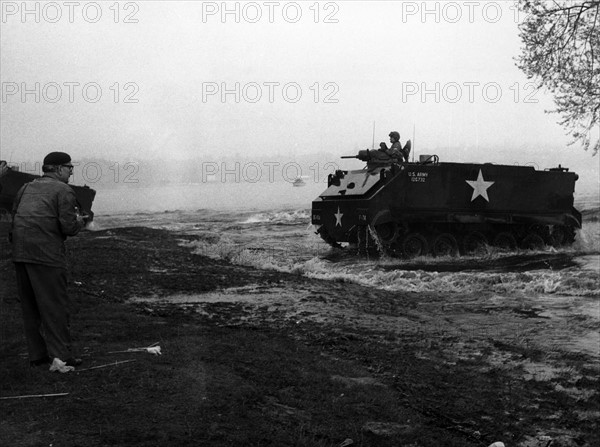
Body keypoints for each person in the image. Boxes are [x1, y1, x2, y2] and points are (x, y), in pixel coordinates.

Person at [11, 151, 88, 371]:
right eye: (69, 167)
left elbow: (15, 217)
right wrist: (81, 222)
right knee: (54, 306)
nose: (71, 171)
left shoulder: (26, 187)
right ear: (57, 169)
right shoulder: (63, 190)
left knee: (30, 306)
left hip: (21, 253)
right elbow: (68, 227)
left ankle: (37, 356)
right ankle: (61, 356)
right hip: (46, 254)